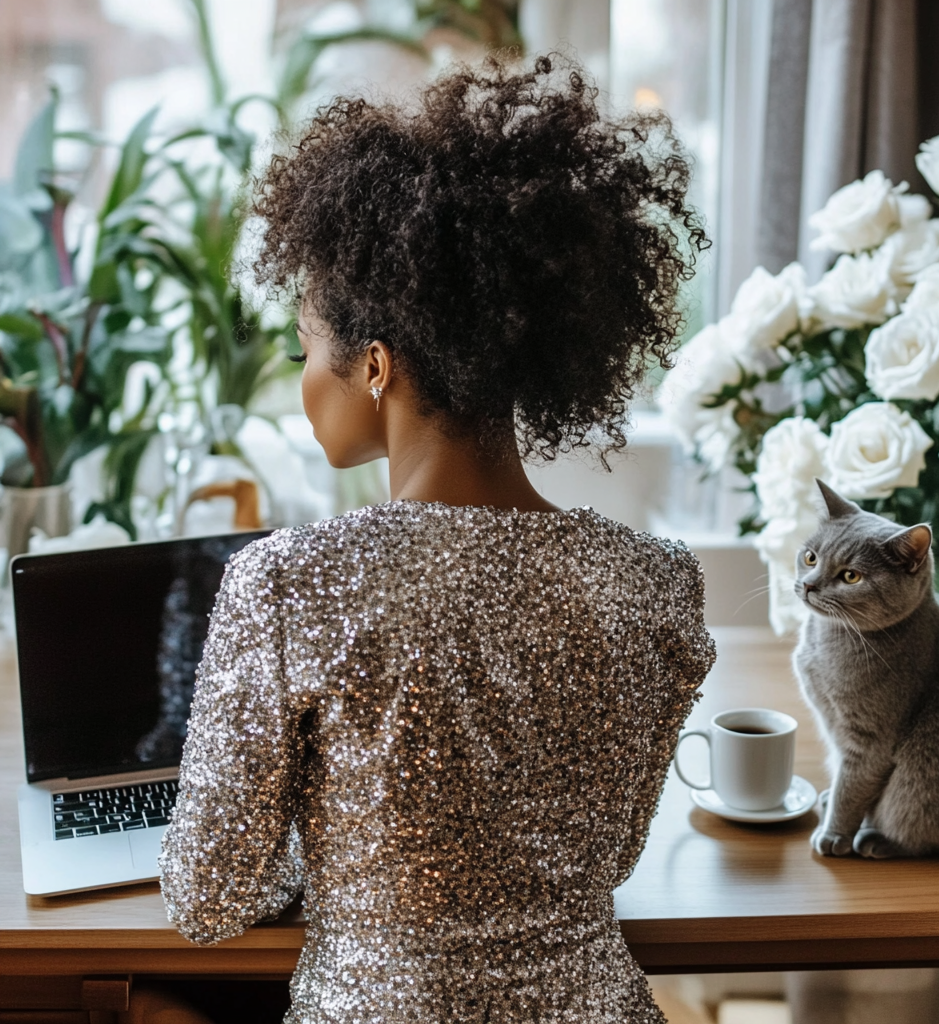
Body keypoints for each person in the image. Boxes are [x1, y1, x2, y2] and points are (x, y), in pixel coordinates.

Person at [159, 52, 715, 1024]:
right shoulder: (654, 583)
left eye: (304, 348)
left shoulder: (291, 582)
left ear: (374, 364)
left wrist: (335, 850)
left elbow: (209, 898)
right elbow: (607, 856)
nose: (300, 378)